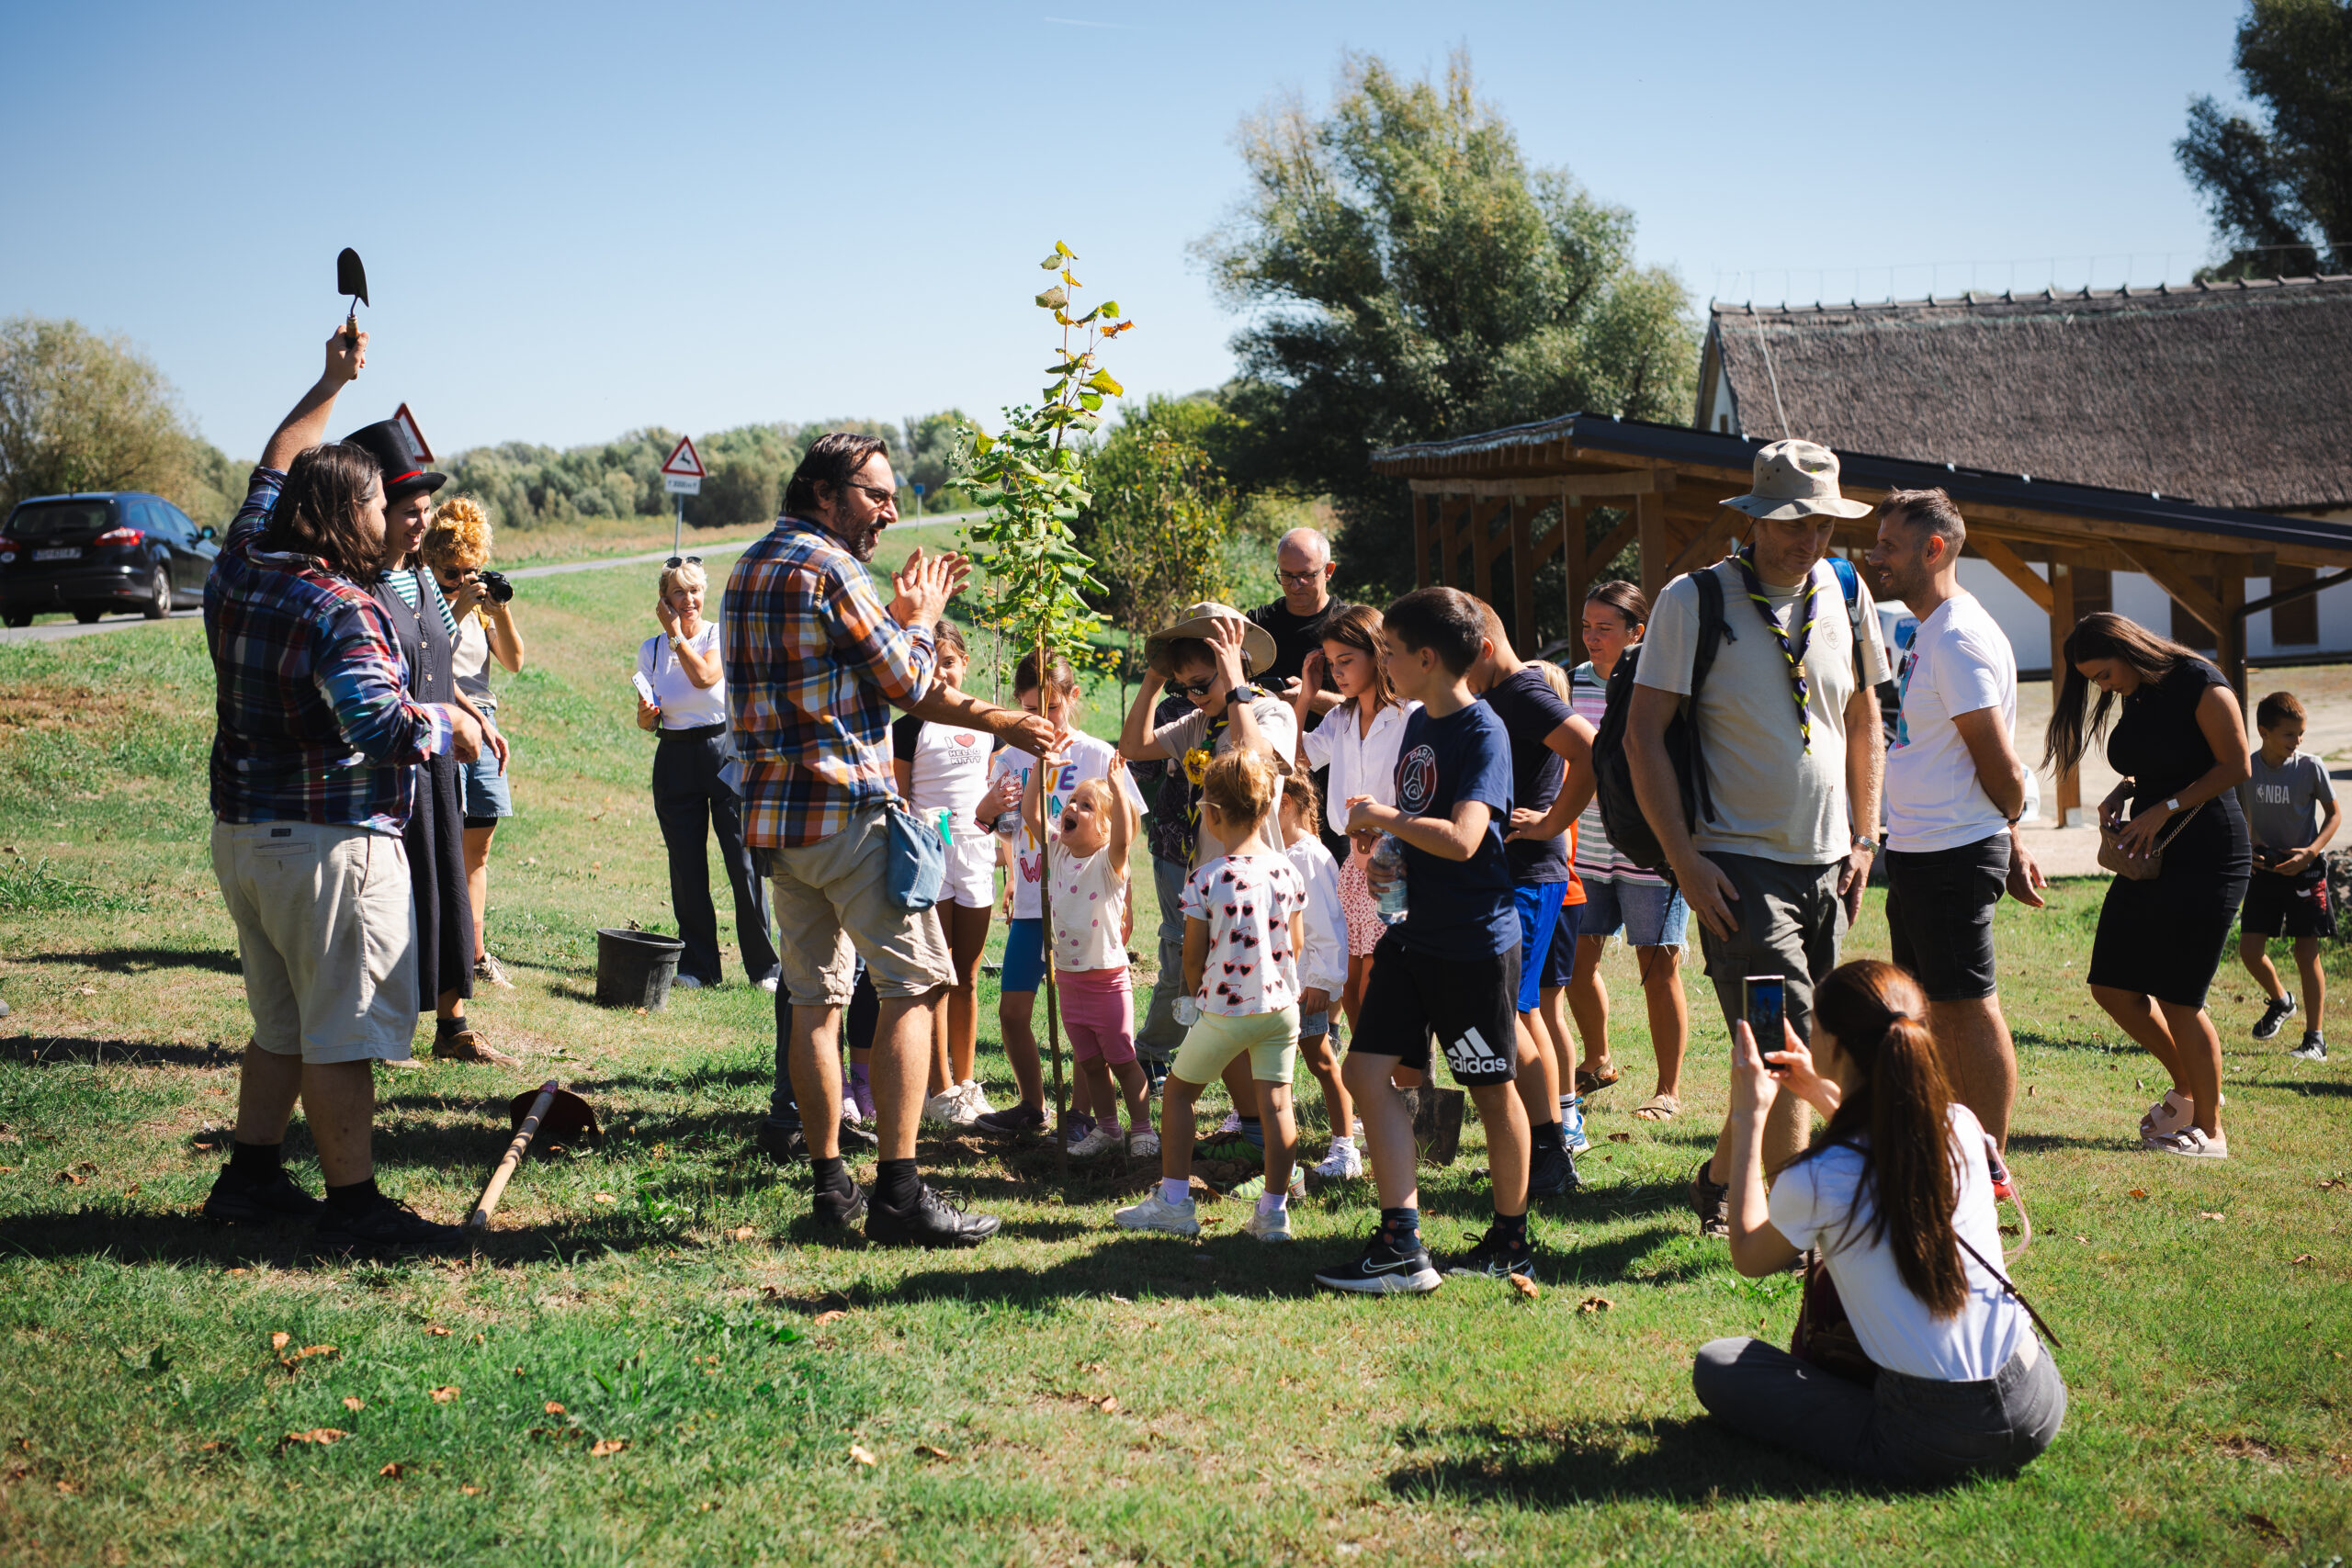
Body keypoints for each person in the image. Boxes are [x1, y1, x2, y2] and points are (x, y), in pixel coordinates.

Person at [725, 432, 1056, 1245]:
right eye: (877, 494)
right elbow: (908, 684)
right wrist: (922, 618)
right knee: (916, 987)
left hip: (779, 826)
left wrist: (907, 624)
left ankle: (831, 1189)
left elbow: (850, 682)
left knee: (814, 1003)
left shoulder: (744, 568)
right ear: (825, 491)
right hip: (848, 815)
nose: (890, 511)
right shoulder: (829, 568)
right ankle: (901, 1194)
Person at [199, 324, 483, 1251]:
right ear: (341, 517)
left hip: (244, 842)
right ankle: (354, 1205)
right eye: (375, 504)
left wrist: (330, 381)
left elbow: (276, 463)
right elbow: (385, 727)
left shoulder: (241, 564)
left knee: (279, 1022)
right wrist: (457, 724)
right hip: (329, 846)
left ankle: (249, 1178)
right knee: (342, 1031)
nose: (390, 520)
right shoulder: (342, 606)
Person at [1624, 439, 1890, 1236]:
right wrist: (1683, 858)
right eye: (1789, 522)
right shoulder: (1691, 600)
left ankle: (1716, 1180)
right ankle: (1796, 1228)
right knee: (1791, 1041)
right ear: (1751, 519)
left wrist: (1866, 836)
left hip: (1830, 864)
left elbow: (1864, 718)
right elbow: (1643, 736)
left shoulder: (1847, 590)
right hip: (1737, 867)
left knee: (1790, 1048)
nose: (1807, 539)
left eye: (1821, 523)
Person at [1693, 960, 2067, 1483]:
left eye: (1815, 1028)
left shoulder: (1819, 1177)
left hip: (1933, 1435)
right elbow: (1883, 1132)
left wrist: (1750, 1117)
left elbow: (1749, 1255)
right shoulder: (1958, 1124)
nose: (1807, 1037)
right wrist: (1813, 1089)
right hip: (2036, 1398)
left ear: (1840, 1048)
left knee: (1720, 1362)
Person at [1316, 587, 1534, 1292]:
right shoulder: (1418, 726)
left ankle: (1510, 1239)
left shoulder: (1482, 731)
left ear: (1428, 657)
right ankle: (1403, 1244)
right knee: (1364, 1072)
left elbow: (1469, 838)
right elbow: (1419, 824)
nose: (1383, 662)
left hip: (1471, 945)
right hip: (1412, 937)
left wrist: (1384, 815)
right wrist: (1388, 853)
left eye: (1389, 652)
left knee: (1492, 1090)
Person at [1864, 489, 2046, 1147]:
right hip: (1922, 849)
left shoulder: (1960, 636)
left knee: (1968, 1009)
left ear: (1932, 548)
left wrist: (2007, 827)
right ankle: (1948, 1141)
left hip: (1952, 852)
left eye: (1888, 544)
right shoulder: (1933, 628)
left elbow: (1999, 766)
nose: (1874, 554)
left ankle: (1989, 1163)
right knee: (1930, 1007)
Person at [2044, 613, 2252, 1158]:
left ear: (2129, 651)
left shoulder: (2199, 681)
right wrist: (2123, 792)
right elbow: (2161, 760)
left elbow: (2235, 765)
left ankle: (2210, 1133)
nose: (2102, 687)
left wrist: (2164, 808)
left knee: (2179, 996)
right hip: (2151, 854)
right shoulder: (2138, 693)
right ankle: (2189, 1087)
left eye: (2105, 674)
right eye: (2094, 680)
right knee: (2112, 984)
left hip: (2210, 853)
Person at [347, 416, 514, 1069]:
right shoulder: (362, 587)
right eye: (407, 511)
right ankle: (383, 1033)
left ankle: (454, 1024)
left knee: (446, 882)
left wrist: (478, 715)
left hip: (440, 760)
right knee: (395, 899)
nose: (420, 523)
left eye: (424, 510)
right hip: (392, 765)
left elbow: (442, 663)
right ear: (371, 511)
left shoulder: (423, 583)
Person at [1115, 750, 1307, 1241]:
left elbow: (1193, 955)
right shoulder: (1288, 872)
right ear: (1266, 810)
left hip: (1225, 1008)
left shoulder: (1206, 877)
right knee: (1279, 1108)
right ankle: (1273, 1213)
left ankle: (1175, 1202)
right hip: (1282, 1010)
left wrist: (1196, 997)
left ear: (1213, 815)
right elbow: (1297, 943)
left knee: (1179, 1094)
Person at [971, 651, 1146, 1141]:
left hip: (1087, 908)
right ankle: (1033, 1104)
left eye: (1050, 707)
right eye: (1029, 710)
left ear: (1072, 697)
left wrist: (1126, 901)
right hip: (1032, 902)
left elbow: (1126, 829)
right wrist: (1008, 872)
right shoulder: (1010, 755)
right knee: (1012, 1011)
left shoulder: (1093, 752)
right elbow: (1009, 826)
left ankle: (1083, 1117)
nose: (1041, 719)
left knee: (1085, 1025)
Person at [1467, 602, 1596, 1200]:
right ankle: (1537, 1147)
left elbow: (1590, 749)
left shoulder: (1521, 690)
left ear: (1485, 648)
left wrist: (1551, 823)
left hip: (1530, 874)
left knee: (1517, 1015)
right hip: (1504, 872)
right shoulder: (1501, 695)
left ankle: (1550, 1151)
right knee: (1519, 1014)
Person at [1565, 581, 1692, 1124]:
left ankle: (1668, 1090)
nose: (1592, 638)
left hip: (1650, 850)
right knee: (1575, 963)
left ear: (1638, 633)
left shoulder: (1663, 685)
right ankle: (1597, 1060)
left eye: (1605, 628)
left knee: (1657, 967)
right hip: (1586, 847)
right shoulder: (1568, 685)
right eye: (1587, 627)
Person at [637, 558, 781, 993]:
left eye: (695, 591)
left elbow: (704, 678)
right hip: (675, 756)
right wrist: (646, 715)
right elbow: (646, 720)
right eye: (679, 593)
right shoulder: (652, 649)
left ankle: (765, 969)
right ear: (664, 599)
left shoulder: (718, 636)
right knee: (686, 868)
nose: (689, 600)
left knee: (743, 861)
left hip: (723, 752)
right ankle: (699, 966)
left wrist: (678, 636)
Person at [890, 621, 1002, 1123]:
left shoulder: (987, 721)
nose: (941, 672)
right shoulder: (909, 724)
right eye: (931, 663)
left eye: (950, 662)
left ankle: (966, 1082)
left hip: (976, 853)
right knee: (939, 972)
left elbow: (996, 790)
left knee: (970, 976)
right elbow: (900, 795)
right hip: (930, 856)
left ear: (965, 664)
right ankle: (939, 1091)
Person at [1291, 604, 1418, 1050]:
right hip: (1352, 865)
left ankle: (1402, 1082)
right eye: (1332, 663)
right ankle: (1371, 1088)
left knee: (1383, 982)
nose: (1338, 673)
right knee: (1350, 983)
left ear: (1379, 653)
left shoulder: (1410, 714)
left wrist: (1383, 820)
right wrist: (1306, 697)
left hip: (1395, 860)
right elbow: (1296, 760)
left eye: (1347, 660)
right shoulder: (1340, 719)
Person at [1028, 749, 1156, 1158]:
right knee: (1089, 1063)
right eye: (1071, 801)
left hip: (1106, 980)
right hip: (1068, 977)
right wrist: (1038, 768)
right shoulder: (1060, 852)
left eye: (1086, 806)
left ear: (1104, 828)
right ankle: (1107, 1129)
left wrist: (1118, 788)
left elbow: (1124, 837)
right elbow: (1033, 816)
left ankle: (1142, 1130)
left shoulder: (1108, 862)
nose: (1071, 808)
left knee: (1121, 1058)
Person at [420, 497, 526, 988]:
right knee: (438, 843)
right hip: (445, 716)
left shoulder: (479, 604)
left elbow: (514, 662)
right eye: (452, 572)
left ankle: (476, 953)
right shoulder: (422, 597)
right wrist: (455, 607)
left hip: (484, 721)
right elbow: (429, 661)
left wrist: (497, 610)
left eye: (472, 570)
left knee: (477, 849)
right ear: (430, 562)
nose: (463, 579)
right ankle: (439, 949)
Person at [2238, 691, 2339, 1061]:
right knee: (2249, 951)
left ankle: (2316, 1039)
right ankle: (2281, 1001)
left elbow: (2333, 815)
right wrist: (2247, 851)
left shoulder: (2310, 767)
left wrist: (2310, 852)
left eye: (2301, 734)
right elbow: (2236, 817)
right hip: (2264, 871)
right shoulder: (2246, 769)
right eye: (2289, 735)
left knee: (2305, 952)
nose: (2297, 742)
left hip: (2305, 871)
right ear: (2263, 731)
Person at [1274, 755, 1353, 1178]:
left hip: (1307, 983)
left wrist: (1321, 981)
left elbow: (1326, 925)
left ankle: (1345, 1147)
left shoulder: (1306, 857)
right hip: (1286, 981)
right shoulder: (1286, 851)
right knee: (1287, 1061)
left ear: (1285, 804)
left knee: (1321, 1059)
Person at [1129, 685, 1200, 1088]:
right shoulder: (1172, 709)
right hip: (1175, 847)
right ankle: (1152, 1054)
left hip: (1231, 853)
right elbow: (1137, 767)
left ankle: (1205, 1052)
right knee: (1179, 955)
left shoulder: (1252, 707)